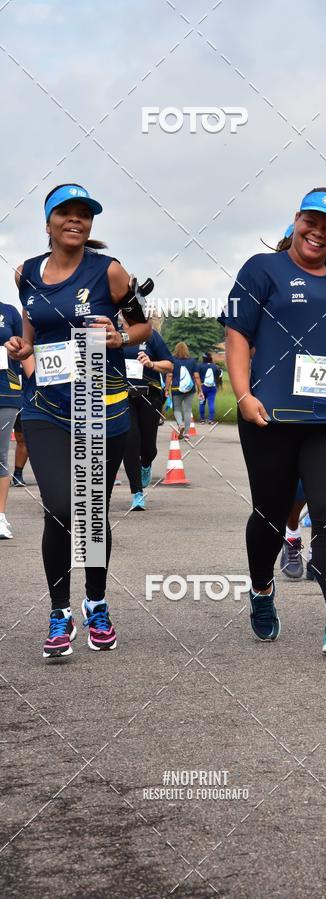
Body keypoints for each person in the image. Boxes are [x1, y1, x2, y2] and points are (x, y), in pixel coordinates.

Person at [219, 187, 326, 655]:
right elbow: (236, 336)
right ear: (297, 220)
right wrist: (242, 395)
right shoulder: (261, 270)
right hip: (270, 417)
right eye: (312, 222)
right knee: (270, 515)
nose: (319, 233)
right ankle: (261, 590)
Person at [5, 183, 152, 659]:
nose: (76, 220)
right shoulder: (26, 273)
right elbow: (31, 334)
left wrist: (120, 338)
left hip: (101, 405)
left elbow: (142, 326)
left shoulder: (108, 271)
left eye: (84, 215)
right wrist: (24, 355)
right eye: (65, 213)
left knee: (91, 514)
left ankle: (96, 602)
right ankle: (58, 612)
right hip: (47, 408)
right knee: (61, 507)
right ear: (47, 223)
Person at [122, 327, 173, 510]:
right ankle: (137, 492)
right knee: (130, 442)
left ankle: (146, 463)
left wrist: (151, 364)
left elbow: (169, 365)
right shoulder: (113, 333)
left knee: (148, 448)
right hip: (123, 396)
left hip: (149, 395)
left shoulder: (150, 334)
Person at [0, 301, 34, 538]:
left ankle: (0, 517)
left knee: (0, 455)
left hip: (5, 393)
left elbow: (25, 350)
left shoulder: (9, 312)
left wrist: (35, 387)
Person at [166, 341, 203, 438]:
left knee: (177, 409)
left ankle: (180, 424)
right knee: (187, 410)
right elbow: (196, 376)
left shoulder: (172, 360)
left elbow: (169, 375)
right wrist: (200, 390)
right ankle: (186, 433)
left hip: (176, 388)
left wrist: (166, 389)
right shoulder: (192, 361)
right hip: (190, 389)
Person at [197, 352, 221, 424]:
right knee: (211, 403)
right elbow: (219, 374)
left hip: (202, 387)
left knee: (202, 403)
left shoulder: (200, 366)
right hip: (212, 387)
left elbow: (197, 376)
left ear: (203, 358)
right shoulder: (215, 366)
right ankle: (211, 419)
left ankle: (202, 419)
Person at [11, 413, 30, 486]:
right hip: (5, 404)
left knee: (22, 438)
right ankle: (3, 473)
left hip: (21, 404)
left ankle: (18, 474)